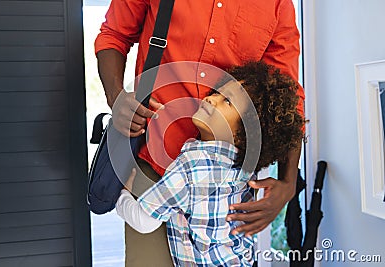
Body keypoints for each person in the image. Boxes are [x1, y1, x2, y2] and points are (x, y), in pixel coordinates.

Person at [95, 0, 304, 265]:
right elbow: (114, 35)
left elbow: (288, 95)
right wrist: (116, 97)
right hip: (151, 165)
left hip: (225, 182)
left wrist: (289, 182)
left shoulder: (277, 5)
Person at [115, 61, 304, 266]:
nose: (211, 99)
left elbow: (143, 222)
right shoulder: (246, 172)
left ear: (243, 134)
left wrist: (122, 192)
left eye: (227, 102)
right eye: (217, 93)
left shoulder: (192, 165)